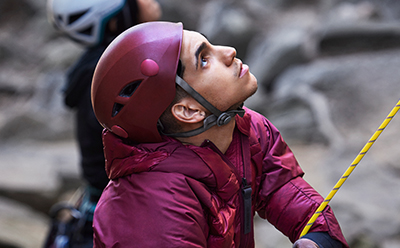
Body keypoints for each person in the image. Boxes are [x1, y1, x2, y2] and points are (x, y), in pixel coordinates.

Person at [91, 21, 349, 248]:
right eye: (204, 60)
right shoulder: (152, 209)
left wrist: (319, 239)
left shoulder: (245, 130)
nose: (229, 52)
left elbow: (280, 187)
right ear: (188, 110)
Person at [45, 0, 161, 247]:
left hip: (101, 205)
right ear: (115, 20)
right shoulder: (117, 75)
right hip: (123, 214)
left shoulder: (98, 67)